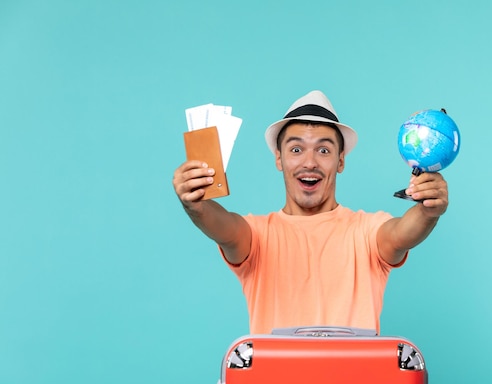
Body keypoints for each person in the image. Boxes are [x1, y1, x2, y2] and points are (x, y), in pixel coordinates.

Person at [172, 90, 448, 334]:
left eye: (324, 150)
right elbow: (223, 227)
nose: (309, 162)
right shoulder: (256, 235)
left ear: (340, 161)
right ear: (279, 158)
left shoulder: (367, 231)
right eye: (296, 149)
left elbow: (401, 234)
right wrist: (195, 205)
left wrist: (428, 210)